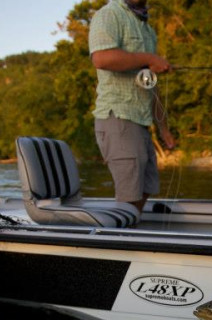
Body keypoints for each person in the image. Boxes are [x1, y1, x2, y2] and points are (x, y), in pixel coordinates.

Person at [89, 0, 175, 213]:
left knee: (147, 185)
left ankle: (130, 227)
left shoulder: (148, 30)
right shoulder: (109, 14)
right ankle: (120, 237)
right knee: (129, 194)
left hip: (141, 122)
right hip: (117, 117)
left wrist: (163, 128)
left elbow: (149, 83)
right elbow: (101, 58)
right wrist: (149, 57)